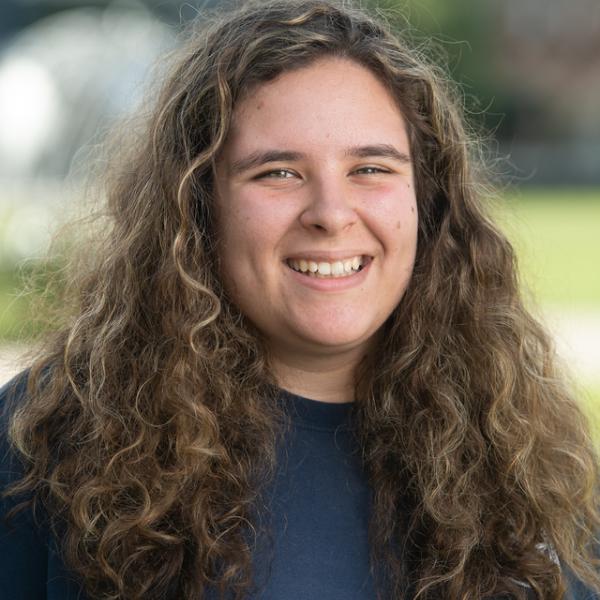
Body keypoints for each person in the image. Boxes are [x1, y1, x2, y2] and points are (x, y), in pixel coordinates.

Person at [1, 1, 598, 598]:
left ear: (428, 201)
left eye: (370, 168)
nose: (332, 216)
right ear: (196, 207)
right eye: (278, 173)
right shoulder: (47, 440)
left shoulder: (528, 457)